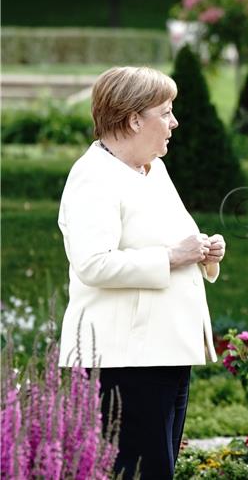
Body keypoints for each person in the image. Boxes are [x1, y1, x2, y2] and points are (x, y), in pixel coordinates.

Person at [57, 66, 227, 479]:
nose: (175, 122)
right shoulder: (93, 178)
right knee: (135, 471)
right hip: (126, 360)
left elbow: (168, 241)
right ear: (134, 119)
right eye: (165, 112)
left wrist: (205, 251)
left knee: (158, 470)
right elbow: (93, 263)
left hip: (164, 352)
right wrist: (171, 256)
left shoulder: (152, 169)